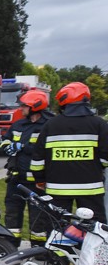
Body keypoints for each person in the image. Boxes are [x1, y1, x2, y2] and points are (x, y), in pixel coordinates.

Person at [31, 82, 108, 224]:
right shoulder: (99, 124)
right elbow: (106, 156)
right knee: (95, 228)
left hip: (57, 188)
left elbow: (38, 159)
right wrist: (97, 167)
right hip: (90, 188)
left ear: (63, 101)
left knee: (57, 227)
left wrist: (39, 179)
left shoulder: (51, 125)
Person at [0, 91, 53, 244]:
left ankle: (38, 247)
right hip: (16, 179)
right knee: (12, 213)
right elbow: (6, 140)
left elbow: (45, 148)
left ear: (35, 107)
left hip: (38, 181)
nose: (21, 108)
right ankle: (10, 245)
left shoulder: (49, 125)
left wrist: (22, 147)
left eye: (24, 105)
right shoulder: (19, 124)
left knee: (38, 216)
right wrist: (7, 146)